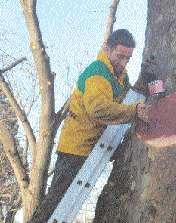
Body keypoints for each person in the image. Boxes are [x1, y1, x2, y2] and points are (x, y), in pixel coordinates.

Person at [28, 29, 148, 223]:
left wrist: (142, 87)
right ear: (107, 49)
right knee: (56, 204)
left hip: (95, 144)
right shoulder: (97, 73)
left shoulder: (121, 76)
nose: (124, 63)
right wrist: (134, 111)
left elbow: (124, 99)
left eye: (128, 58)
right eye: (120, 57)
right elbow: (99, 109)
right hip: (76, 148)